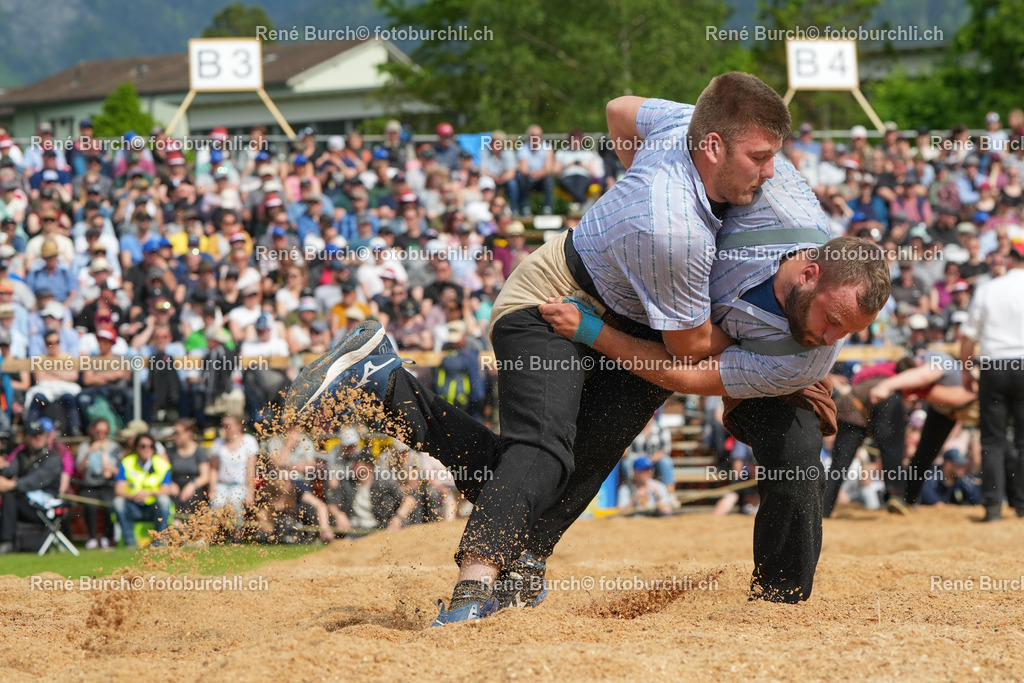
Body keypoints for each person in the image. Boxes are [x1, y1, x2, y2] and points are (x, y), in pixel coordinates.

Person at [287, 75, 886, 623]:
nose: (772, 172)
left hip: (641, 324)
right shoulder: (676, 226)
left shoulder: (740, 174)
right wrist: (643, 213)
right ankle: (475, 585)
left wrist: (616, 308)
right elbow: (689, 347)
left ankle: (395, 396)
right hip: (559, 297)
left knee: (571, 465)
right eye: (758, 157)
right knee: (543, 450)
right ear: (712, 147)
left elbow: (620, 109)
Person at [959, 244, 1024, 521]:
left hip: (994, 365)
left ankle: (993, 506)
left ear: (1010, 260)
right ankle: (1021, 504)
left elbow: (968, 337)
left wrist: (966, 371)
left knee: (992, 439)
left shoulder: (988, 289)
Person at [0, 421, 62, 554]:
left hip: (45, 506)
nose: (38, 438)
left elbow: (37, 481)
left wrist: (13, 484)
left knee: (9, 496)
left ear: (46, 437)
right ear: (26, 438)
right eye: (34, 435)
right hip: (25, 501)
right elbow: (9, 472)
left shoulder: (52, 458)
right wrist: (2, 468)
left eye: (41, 434)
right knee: (8, 495)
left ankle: (7, 542)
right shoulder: (22, 455)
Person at [111, 433, 173, 548]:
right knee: (118, 502)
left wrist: (149, 493)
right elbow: (119, 489)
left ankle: (160, 541)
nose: (147, 449)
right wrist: (133, 496)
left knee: (164, 501)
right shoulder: (127, 462)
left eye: (150, 446)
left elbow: (166, 490)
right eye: (143, 446)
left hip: (153, 507)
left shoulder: (162, 465)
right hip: (133, 506)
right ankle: (129, 542)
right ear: (136, 448)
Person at [75, 417, 122, 549]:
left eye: (105, 432)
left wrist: (107, 461)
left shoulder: (114, 447)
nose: (101, 435)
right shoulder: (85, 446)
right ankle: (92, 538)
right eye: (98, 431)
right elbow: (79, 468)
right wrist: (90, 452)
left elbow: (119, 471)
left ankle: (107, 537)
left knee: (110, 506)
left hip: (108, 485)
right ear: (92, 431)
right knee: (90, 505)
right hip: (89, 485)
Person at [208, 414, 258, 522]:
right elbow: (213, 468)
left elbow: (251, 470)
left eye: (228, 426)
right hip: (221, 484)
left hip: (240, 485)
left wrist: (251, 493)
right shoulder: (218, 443)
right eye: (223, 425)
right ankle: (215, 530)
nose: (225, 429)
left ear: (238, 426)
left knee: (235, 503)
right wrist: (212, 486)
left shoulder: (249, 441)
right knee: (217, 503)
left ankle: (237, 530)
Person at [164, 418, 210, 518]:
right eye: (174, 433)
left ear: (189, 433)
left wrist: (192, 486)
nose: (175, 436)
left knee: (191, 498)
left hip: (194, 487)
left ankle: (182, 523)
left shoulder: (199, 451)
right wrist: (169, 482)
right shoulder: (170, 451)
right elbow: (163, 471)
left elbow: (205, 476)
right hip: (175, 486)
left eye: (178, 433)